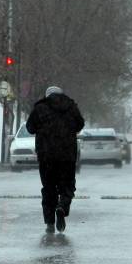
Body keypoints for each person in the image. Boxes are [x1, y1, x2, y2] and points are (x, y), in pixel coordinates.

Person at [26, 86, 84, 234]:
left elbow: (30, 128)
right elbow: (80, 124)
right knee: (67, 186)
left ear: (47, 95)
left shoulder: (40, 108)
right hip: (67, 156)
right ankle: (62, 207)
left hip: (46, 156)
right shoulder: (71, 106)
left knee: (48, 188)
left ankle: (50, 222)